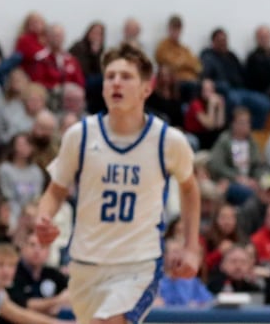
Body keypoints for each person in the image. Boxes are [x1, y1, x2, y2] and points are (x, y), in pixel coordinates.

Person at [30, 43, 201, 323]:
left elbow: (190, 189)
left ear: (147, 87)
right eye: (110, 76)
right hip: (86, 264)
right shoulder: (80, 135)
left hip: (139, 264)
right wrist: (43, 216)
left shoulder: (168, 141)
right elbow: (56, 190)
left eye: (126, 76)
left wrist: (191, 248)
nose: (116, 83)